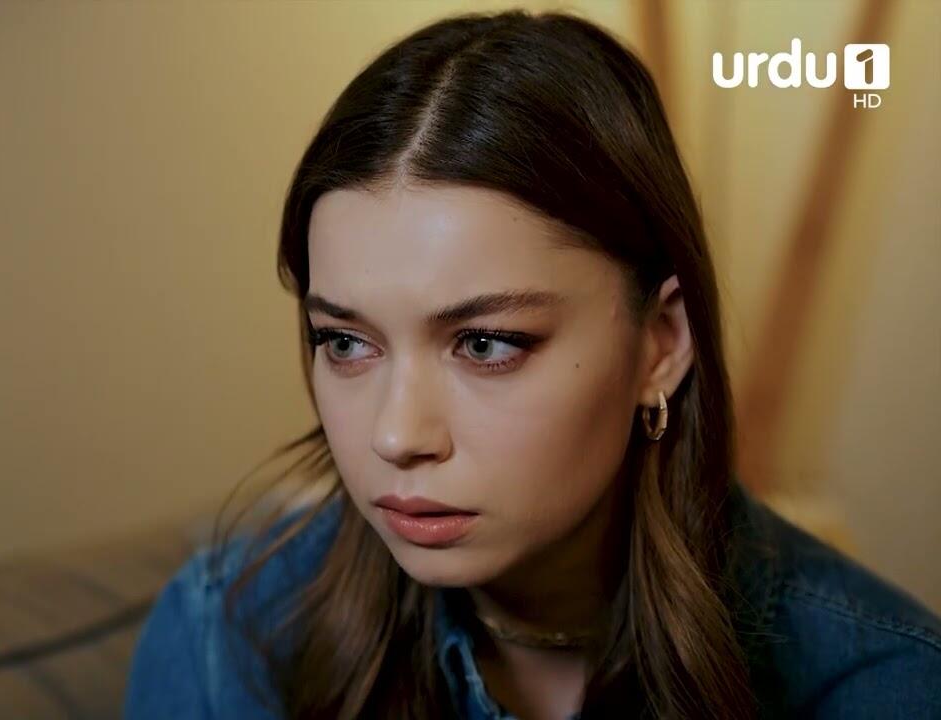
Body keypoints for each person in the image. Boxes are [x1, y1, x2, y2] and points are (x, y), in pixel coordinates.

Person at [123, 8, 941, 719]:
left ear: (661, 344)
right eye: (345, 342)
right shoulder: (223, 645)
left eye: (485, 343)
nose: (397, 436)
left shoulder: (890, 689)